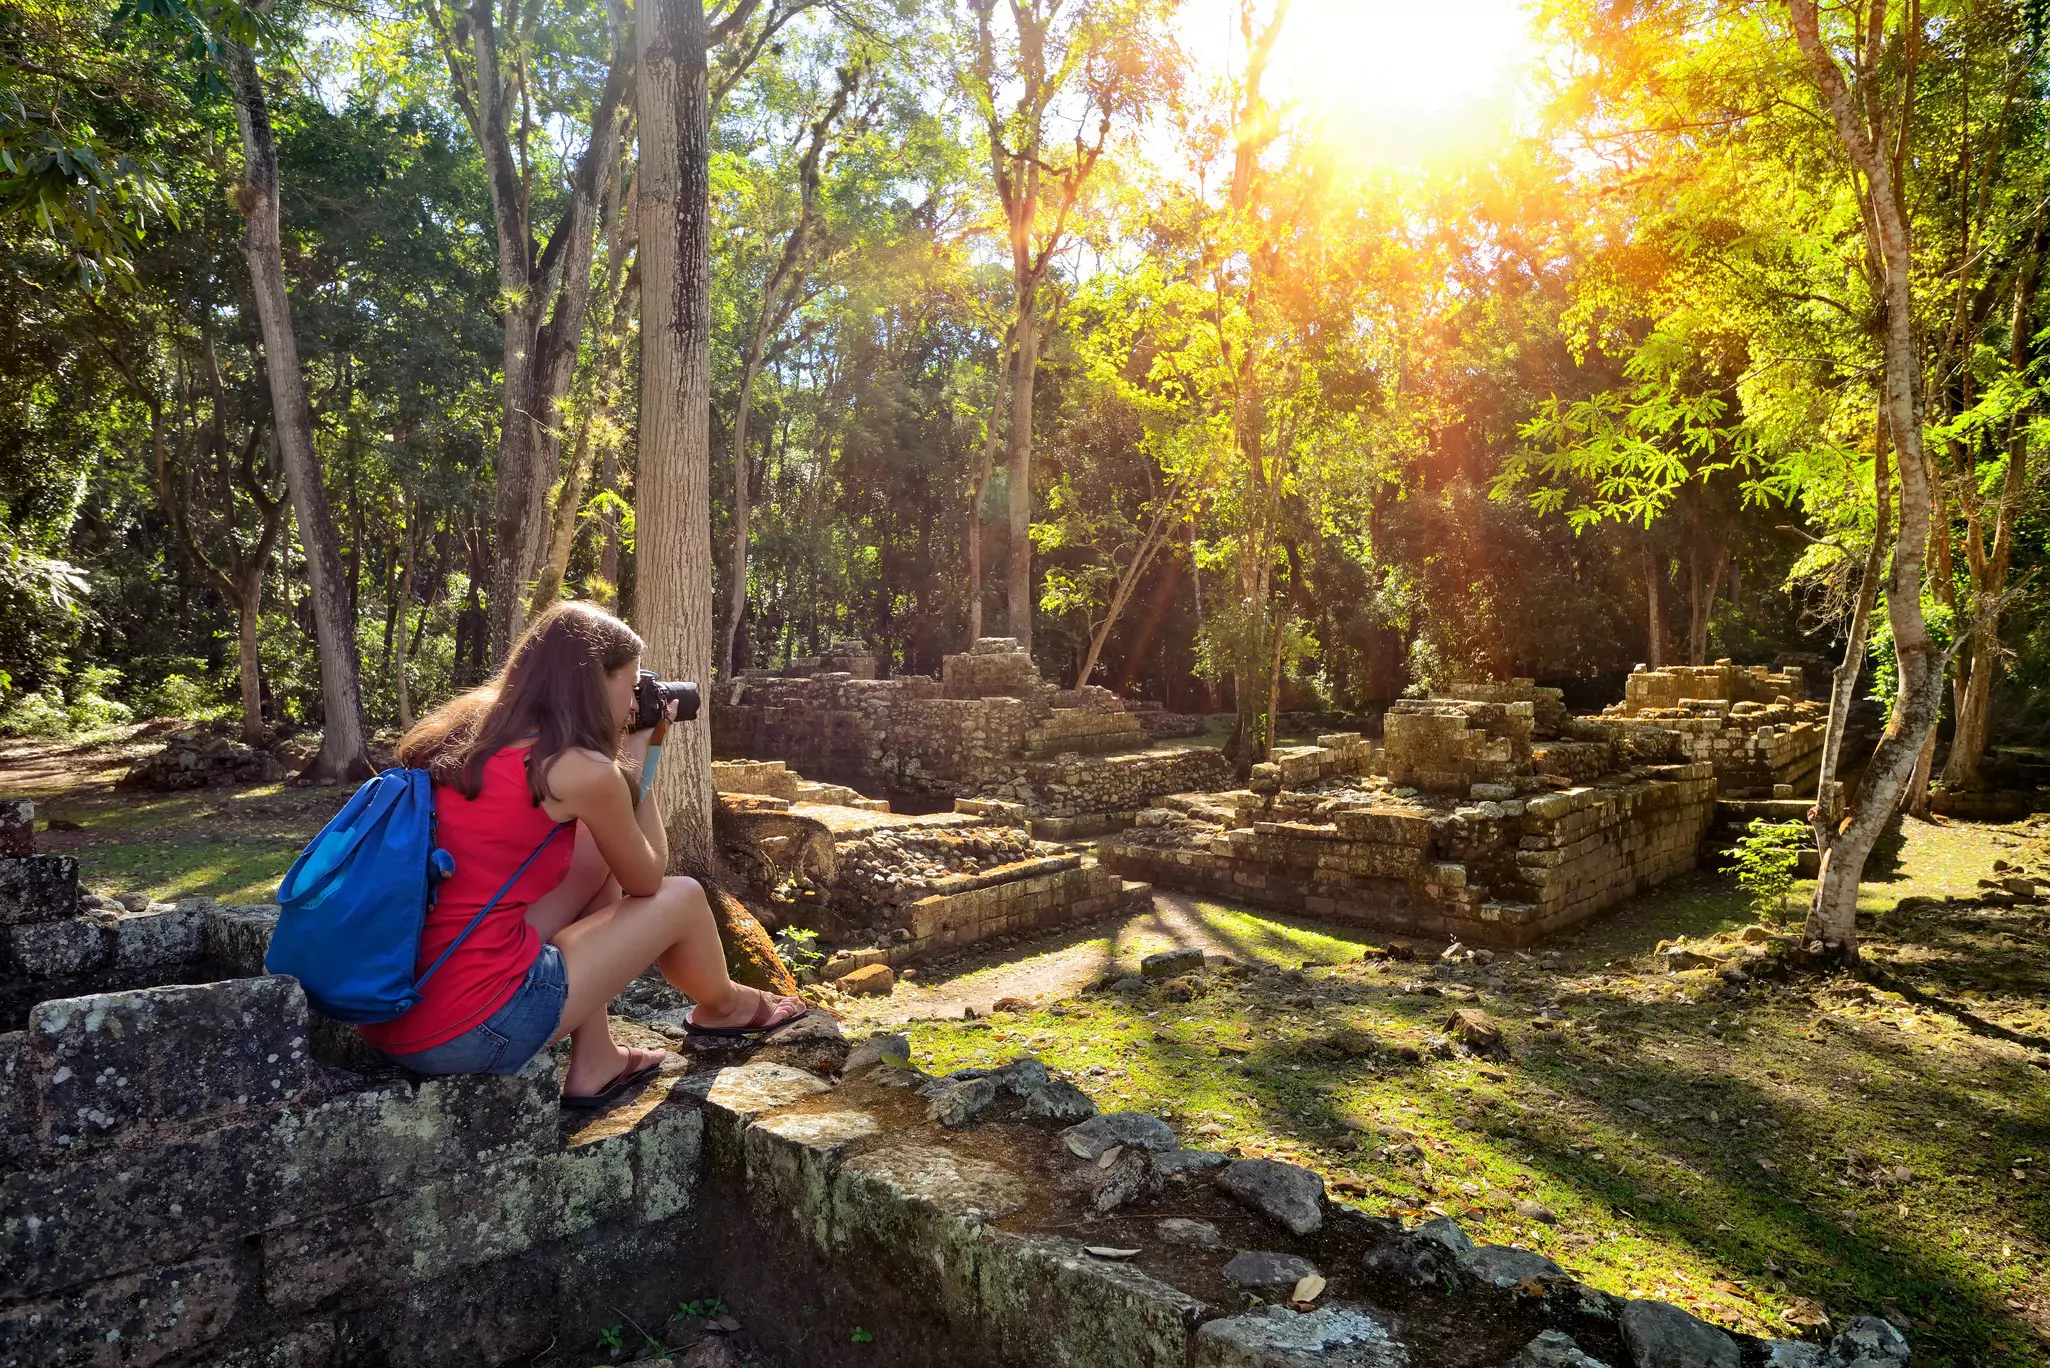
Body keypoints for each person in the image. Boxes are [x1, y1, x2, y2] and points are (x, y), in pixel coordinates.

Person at [358, 601, 807, 1107]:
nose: (635, 699)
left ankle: (596, 1059)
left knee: (593, 862)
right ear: (594, 683)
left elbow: (600, 858)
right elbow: (648, 879)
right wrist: (641, 755)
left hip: (392, 1013)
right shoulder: (580, 770)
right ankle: (726, 1004)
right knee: (683, 895)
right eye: (631, 683)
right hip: (473, 1029)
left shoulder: (465, 736)